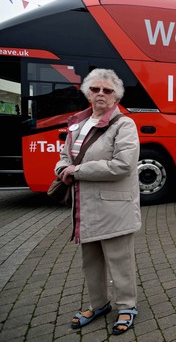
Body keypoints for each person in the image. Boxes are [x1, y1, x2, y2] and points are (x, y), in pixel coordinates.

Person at [55, 68, 141, 335]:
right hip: (86, 207)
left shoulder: (124, 124)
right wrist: (62, 170)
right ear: (87, 93)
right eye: (95, 89)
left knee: (120, 260)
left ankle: (126, 306)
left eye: (107, 90)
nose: (101, 94)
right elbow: (63, 157)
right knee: (90, 261)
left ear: (116, 96)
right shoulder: (77, 125)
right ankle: (99, 304)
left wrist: (76, 172)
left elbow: (123, 165)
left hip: (114, 206)